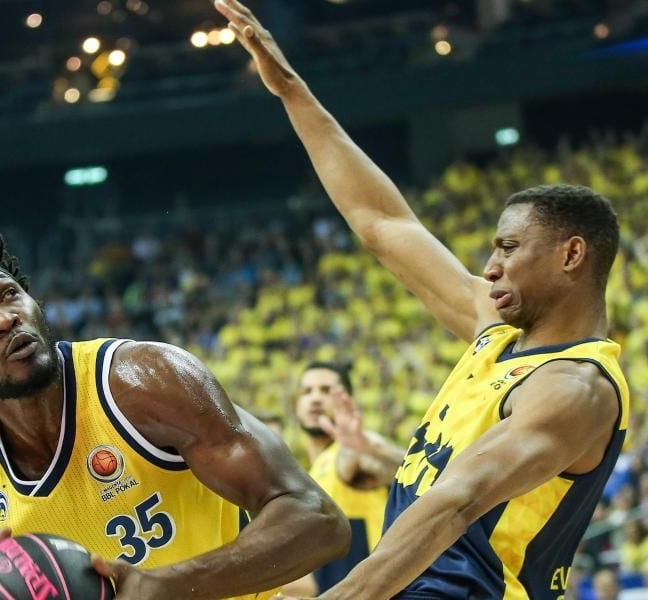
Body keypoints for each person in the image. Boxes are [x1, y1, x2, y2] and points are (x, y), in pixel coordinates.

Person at [215, 1, 628, 598]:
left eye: (509, 247)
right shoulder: (499, 337)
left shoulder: (574, 388)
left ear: (570, 256)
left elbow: (455, 504)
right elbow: (383, 223)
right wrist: (294, 93)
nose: (490, 266)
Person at [0, 204, 351, 600]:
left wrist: (166, 585)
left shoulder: (143, 382)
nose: (3, 320)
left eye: (8, 295)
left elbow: (318, 520)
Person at [284, 361, 403, 596]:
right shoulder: (313, 471)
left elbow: (406, 467)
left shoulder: (349, 453)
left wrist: (369, 448)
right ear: (296, 406)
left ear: (347, 400)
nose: (315, 398)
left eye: (327, 390)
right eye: (307, 391)